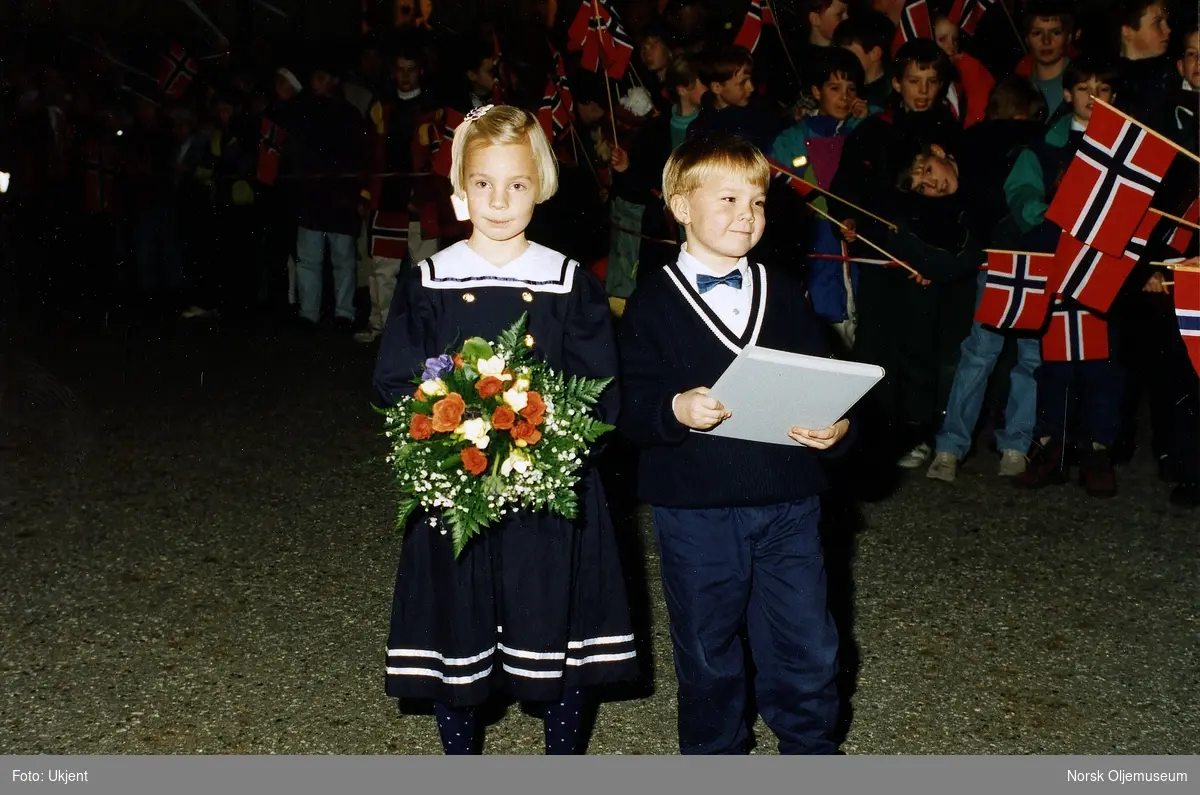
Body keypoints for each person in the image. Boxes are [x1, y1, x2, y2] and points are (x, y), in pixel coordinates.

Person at [371, 105, 639, 755]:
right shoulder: (431, 278)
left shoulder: (568, 281)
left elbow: (600, 390)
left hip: (547, 494)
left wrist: (548, 443)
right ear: (460, 190)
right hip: (459, 488)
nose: (499, 199)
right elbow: (395, 379)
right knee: (459, 632)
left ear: (539, 187)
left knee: (558, 630)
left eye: (516, 184)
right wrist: (445, 430)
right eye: (484, 183)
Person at [618, 132, 852, 755]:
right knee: (708, 652)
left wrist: (837, 424)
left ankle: (810, 749)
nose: (745, 215)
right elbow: (625, 404)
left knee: (807, 644)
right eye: (726, 200)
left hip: (788, 500)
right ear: (680, 205)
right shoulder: (651, 302)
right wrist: (672, 408)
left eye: (757, 201)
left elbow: (826, 377)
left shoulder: (784, 291)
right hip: (696, 509)